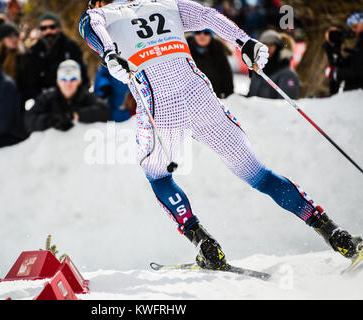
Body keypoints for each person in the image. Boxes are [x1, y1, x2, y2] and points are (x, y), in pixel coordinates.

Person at [80, 0, 362, 270]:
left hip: (162, 107)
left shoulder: (104, 14)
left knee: (158, 176)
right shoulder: (166, 4)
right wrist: (245, 42)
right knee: (259, 174)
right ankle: (335, 234)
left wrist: (108, 53)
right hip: (201, 97)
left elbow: (89, 23)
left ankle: (203, 242)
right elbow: (209, 16)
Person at [24, 59, 110, 134]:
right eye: (64, 80)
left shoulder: (85, 95)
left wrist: (76, 115)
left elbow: (105, 111)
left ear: (79, 82)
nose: (68, 84)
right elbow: (29, 119)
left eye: (72, 79)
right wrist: (51, 120)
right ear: (58, 82)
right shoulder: (48, 97)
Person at [28, 12, 89, 99]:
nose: (48, 31)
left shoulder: (70, 47)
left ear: (59, 28)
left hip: (70, 97)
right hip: (45, 99)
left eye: (52, 27)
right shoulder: (35, 50)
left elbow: (82, 74)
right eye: (44, 28)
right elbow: (31, 81)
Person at [248, 29, 300, 99]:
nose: (267, 48)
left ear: (278, 47)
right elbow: (250, 97)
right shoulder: (257, 69)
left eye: (271, 44)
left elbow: (285, 106)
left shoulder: (288, 74)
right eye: (264, 44)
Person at [187, 29, 234, 99]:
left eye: (206, 33)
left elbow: (227, 75)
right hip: (190, 96)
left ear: (211, 36)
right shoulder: (185, 50)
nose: (202, 36)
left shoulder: (218, 50)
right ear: (194, 35)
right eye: (198, 32)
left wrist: (228, 95)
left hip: (215, 96)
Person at [324, 12, 363, 95]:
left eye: (355, 27)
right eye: (351, 28)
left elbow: (358, 71)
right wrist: (332, 46)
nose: (353, 31)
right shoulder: (359, 46)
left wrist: (337, 74)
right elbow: (349, 63)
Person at [0, 22, 31, 105]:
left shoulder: (24, 57)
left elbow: (28, 84)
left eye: (16, 36)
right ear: (2, 39)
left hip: (17, 102)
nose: (14, 39)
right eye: (10, 36)